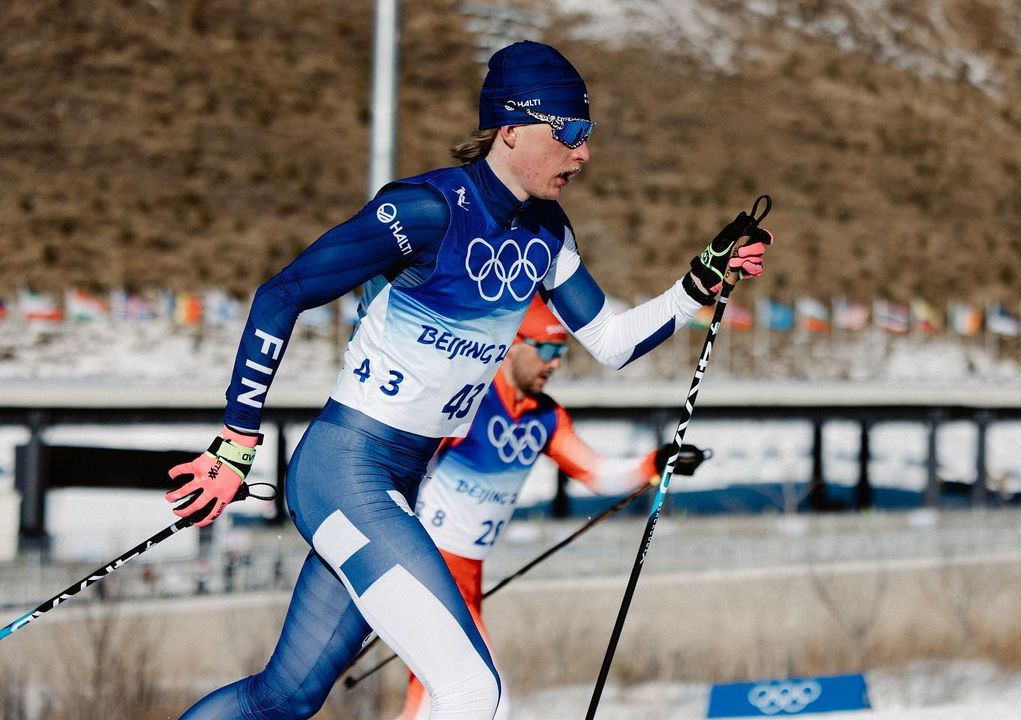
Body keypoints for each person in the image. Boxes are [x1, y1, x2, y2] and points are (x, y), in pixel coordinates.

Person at [164, 39, 772, 720]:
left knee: (286, 695)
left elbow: (612, 341)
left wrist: (699, 283)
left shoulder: (547, 233)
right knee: (472, 692)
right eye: (569, 132)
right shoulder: (427, 211)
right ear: (511, 129)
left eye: (588, 134)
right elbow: (281, 295)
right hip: (344, 468)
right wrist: (235, 445)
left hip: (400, 481)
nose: (583, 153)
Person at [400, 296, 709, 720]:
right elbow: (406, 456)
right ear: (513, 343)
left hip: (469, 573)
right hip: (429, 561)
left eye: (561, 353)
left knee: (433, 699)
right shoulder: (470, 396)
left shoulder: (546, 418)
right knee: (486, 700)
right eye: (546, 350)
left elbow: (596, 474)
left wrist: (656, 463)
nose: (555, 363)